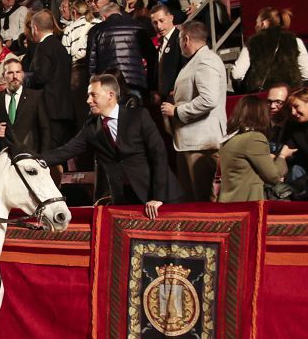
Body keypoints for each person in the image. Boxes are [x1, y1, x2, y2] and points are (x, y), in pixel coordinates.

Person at [42, 74, 182, 216]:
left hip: (160, 198)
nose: (88, 100)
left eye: (93, 95)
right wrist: (29, 160)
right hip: (124, 201)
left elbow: (159, 156)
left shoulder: (139, 116)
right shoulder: (91, 127)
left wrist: (157, 197)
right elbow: (65, 151)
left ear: (110, 95)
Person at [161, 21, 228, 202]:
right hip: (191, 142)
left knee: (203, 201)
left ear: (186, 39)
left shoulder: (205, 60)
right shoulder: (197, 60)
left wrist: (177, 110)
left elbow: (209, 99)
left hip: (201, 143)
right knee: (193, 200)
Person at [218, 97, 289, 202]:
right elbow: (273, 177)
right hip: (248, 205)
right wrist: (283, 156)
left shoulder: (229, 140)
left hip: (229, 202)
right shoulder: (254, 138)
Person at [231, 7, 308, 92]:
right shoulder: (296, 41)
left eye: (257, 23)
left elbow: (236, 74)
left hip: (264, 97)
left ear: (264, 23)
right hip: (290, 96)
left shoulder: (252, 42)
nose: (255, 27)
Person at [27, 10, 77, 146]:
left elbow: (41, 76)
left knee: (49, 153)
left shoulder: (43, 47)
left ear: (35, 28)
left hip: (49, 110)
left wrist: (23, 78)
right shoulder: (60, 46)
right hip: (64, 108)